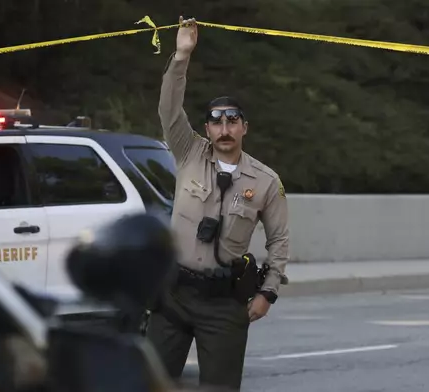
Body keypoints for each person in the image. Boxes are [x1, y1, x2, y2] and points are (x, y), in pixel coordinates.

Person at [145, 16, 290, 391]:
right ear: (206, 128)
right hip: (172, 294)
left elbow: (279, 241)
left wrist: (267, 292)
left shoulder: (266, 181)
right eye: (216, 122)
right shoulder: (188, 152)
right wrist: (181, 54)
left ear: (244, 127)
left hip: (224, 304)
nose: (224, 129)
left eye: (232, 121)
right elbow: (169, 108)